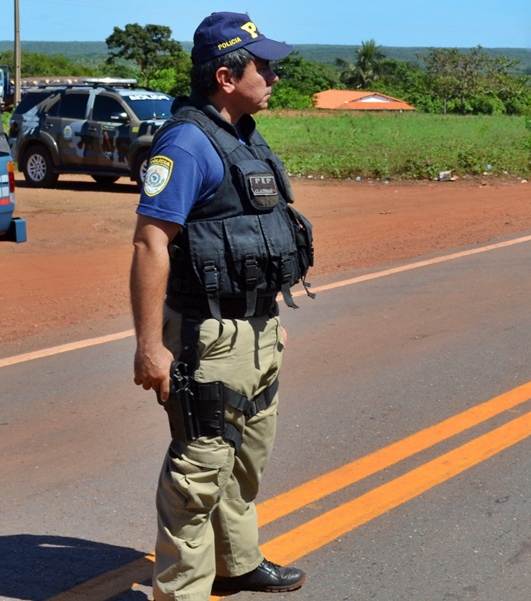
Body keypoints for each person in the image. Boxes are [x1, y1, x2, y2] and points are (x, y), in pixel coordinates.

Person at [130, 11, 311, 599]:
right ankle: (181, 591)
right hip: (207, 334)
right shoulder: (187, 143)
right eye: (265, 66)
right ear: (228, 77)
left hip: (257, 328)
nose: (275, 77)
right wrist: (149, 345)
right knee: (199, 472)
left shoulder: (242, 135)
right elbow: (150, 240)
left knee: (245, 461)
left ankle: (238, 562)